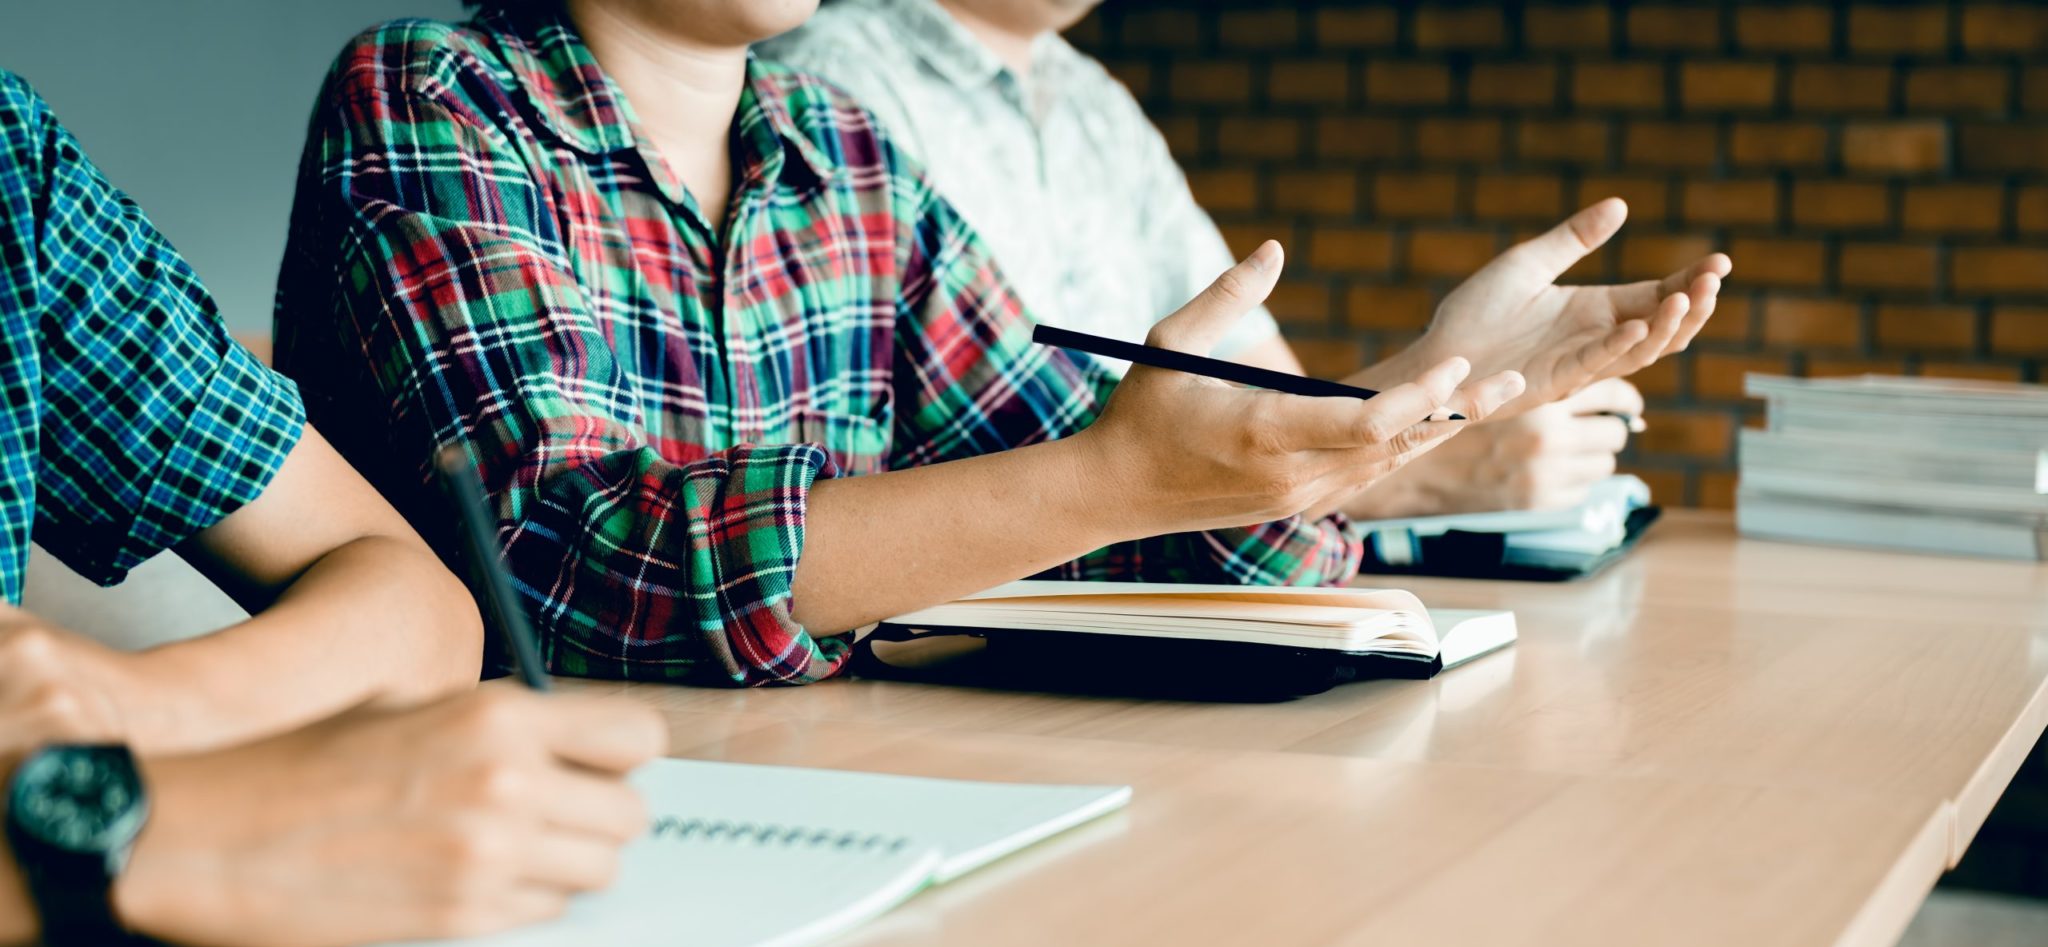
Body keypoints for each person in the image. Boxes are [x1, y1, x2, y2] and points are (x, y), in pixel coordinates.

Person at [273, 0, 1712, 689]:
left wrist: (1415, 401)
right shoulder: (431, 96)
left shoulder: (845, 158)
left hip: (848, 806)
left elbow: (1173, 518)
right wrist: (1119, 478)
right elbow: (557, 576)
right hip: (516, 841)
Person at [0, 72, 664, 947]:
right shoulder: (430, 95)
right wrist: (173, 829)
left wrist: (120, 713)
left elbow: (412, 597)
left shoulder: (14, 172)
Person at [763, 0, 1710, 519]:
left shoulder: (1093, 103)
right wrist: (1416, 474)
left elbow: (1254, 394)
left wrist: (1440, 380)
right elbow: (933, 455)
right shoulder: (829, 76)